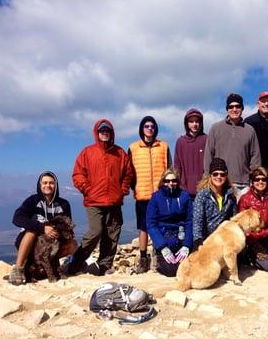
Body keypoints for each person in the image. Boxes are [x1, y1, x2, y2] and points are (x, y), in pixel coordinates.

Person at [67, 119, 133, 276]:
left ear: (111, 133)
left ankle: (104, 265)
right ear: (97, 133)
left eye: (107, 131)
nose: (104, 133)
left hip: (114, 201)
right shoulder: (87, 152)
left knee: (112, 233)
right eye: (101, 131)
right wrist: (87, 189)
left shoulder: (120, 153)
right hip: (94, 201)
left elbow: (128, 173)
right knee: (95, 231)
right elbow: (78, 174)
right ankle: (76, 261)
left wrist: (122, 190)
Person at [9, 171, 72, 285]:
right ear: (40, 185)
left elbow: (68, 225)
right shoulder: (32, 201)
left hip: (52, 241)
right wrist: (42, 227)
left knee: (72, 245)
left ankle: (51, 266)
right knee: (31, 232)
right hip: (31, 242)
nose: (48, 185)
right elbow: (17, 218)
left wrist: (58, 233)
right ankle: (18, 269)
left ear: (56, 185)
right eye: (45, 183)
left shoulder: (64, 204)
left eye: (51, 183)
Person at [128, 116, 171, 273]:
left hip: (161, 195)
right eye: (146, 126)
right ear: (142, 128)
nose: (149, 128)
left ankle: (159, 256)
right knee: (144, 228)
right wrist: (135, 187)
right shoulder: (133, 148)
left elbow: (169, 169)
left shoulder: (164, 146)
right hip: (142, 194)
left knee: (160, 227)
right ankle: (143, 258)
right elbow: (129, 172)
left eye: (152, 126)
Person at [204, 93, 261, 198]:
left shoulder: (250, 130)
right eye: (231, 106)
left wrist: (254, 179)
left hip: (243, 185)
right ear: (227, 109)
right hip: (220, 183)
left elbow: (255, 157)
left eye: (238, 106)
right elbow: (208, 155)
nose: (234, 109)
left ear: (242, 108)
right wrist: (208, 179)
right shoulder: (216, 128)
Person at [146, 169, 193, 277]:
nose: (170, 183)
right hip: (164, 238)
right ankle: (158, 259)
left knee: (187, 270)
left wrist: (187, 245)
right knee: (171, 271)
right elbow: (151, 224)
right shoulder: (156, 197)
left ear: (178, 181)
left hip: (181, 237)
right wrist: (162, 247)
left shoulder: (185, 196)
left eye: (173, 180)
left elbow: (189, 221)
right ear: (162, 182)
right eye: (167, 181)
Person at [193, 158, 238, 247]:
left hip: (224, 238)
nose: (219, 177)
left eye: (222, 174)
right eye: (215, 174)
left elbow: (234, 218)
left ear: (226, 176)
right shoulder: (202, 195)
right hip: (207, 239)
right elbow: (197, 221)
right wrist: (198, 240)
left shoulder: (230, 196)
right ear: (210, 176)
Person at [174, 108, 207, 198]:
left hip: (204, 190)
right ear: (187, 124)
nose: (194, 124)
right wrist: (178, 186)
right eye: (191, 121)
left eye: (197, 121)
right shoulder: (180, 142)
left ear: (201, 123)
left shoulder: (206, 139)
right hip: (184, 191)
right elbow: (177, 167)